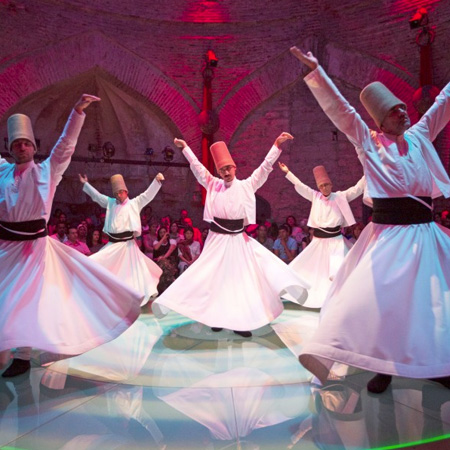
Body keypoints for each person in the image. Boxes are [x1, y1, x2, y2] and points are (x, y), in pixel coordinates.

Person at [290, 47, 450, 393]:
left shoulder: (420, 136)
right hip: (389, 237)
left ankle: (437, 363)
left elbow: (443, 105)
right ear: (380, 121)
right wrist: (317, 73)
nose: (403, 113)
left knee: (433, 300)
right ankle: (382, 366)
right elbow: (342, 112)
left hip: (424, 233)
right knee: (382, 303)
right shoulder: (369, 143)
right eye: (394, 112)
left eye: (403, 108)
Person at [0, 95, 143, 377]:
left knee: (26, 300)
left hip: (33, 249)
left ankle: (23, 355)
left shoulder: (46, 172)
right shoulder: (2, 172)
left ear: (33, 146)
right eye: (16, 144)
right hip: (4, 246)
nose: (22, 147)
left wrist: (77, 112)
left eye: (26, 143)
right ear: (10, 148)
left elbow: (65, 146)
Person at [152, 134, 309, 338]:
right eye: (222, 169)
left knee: (239, 281)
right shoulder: (212, 183)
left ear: (234, 167)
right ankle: (216, 318)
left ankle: (240, 322)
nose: (225, 172)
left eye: (228, 168)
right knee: (215, 280)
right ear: (218, 171)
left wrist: (276, 145)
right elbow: (197, 167)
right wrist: (185, 149)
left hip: (237, 239)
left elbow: (264, 169)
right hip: (217, 240)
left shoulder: (246, 185)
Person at [279, 162, 365, 308]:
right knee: (313, 271)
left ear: (331, 184)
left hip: (336, 241)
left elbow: (357, 189)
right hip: (319, 241)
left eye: (326, 185)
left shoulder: (340, 197)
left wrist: (368, 171)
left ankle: (338, 301)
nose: (324, 188)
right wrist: (288, 172)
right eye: (321, 186)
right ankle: (318, 298)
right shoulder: (315, 196)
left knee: (338, 270)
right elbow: (301, 186)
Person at [79, 172, 164, 306]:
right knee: (97, 264)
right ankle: (104, 299)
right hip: (113, 244)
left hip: (128, 246)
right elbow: (97, 196)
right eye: (116, 193)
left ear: (126, 191)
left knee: (132, 276)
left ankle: (130, 302)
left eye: (120, 192)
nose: (118, 195)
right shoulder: (110, 203)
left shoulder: (135, 203)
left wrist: (156, 181)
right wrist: (86, 184)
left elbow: (148, 195)